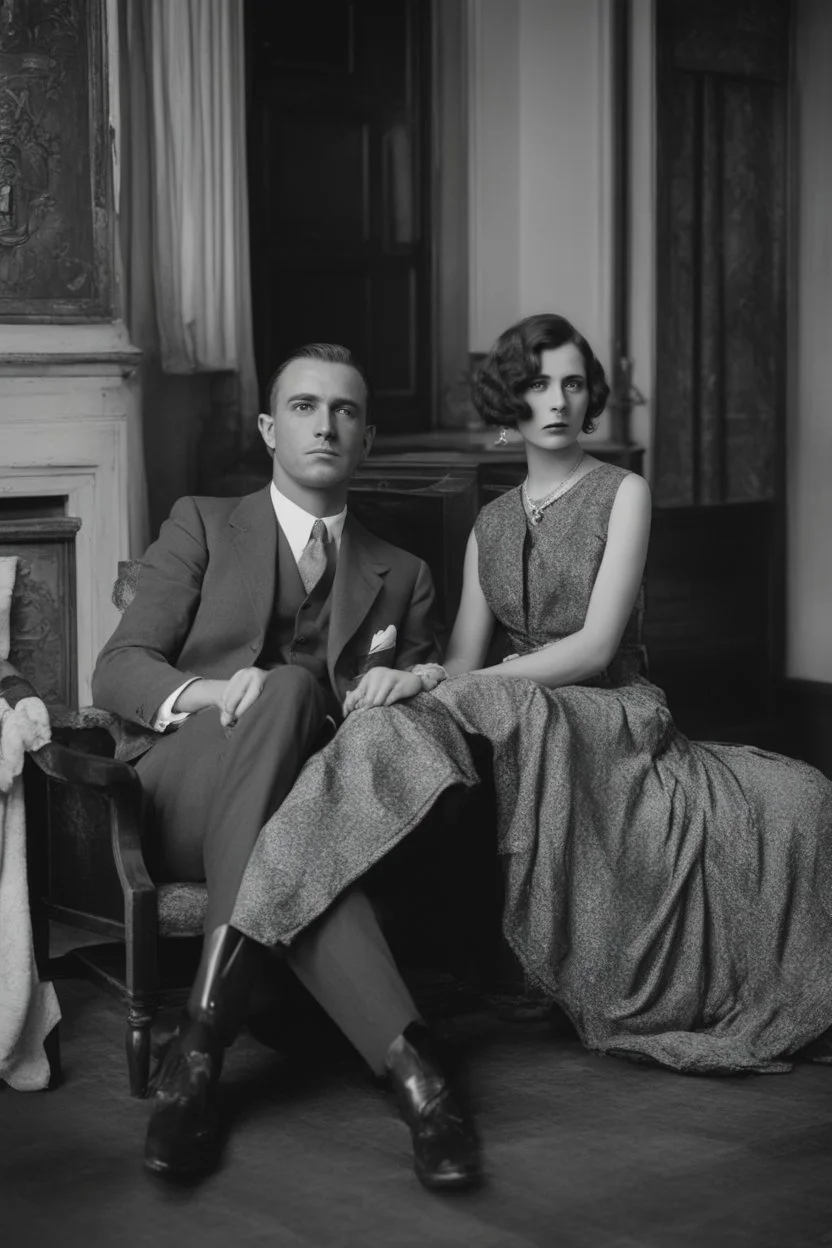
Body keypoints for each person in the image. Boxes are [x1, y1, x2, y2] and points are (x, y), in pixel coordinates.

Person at [231, 313, 832, 1081]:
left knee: (799, 799)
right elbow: (458, 659)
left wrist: (466, 685)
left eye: (573, 384)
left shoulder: (624, 492)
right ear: (508, 399)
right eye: (537, 384)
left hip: (612, 706)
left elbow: (594, 647)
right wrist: (413, 680)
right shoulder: (490, 523)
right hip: (518, 705)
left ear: (590, 399)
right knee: (450, 713)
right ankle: (283, 913)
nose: (557, 401)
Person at [92, 343, 481, 1189]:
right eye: (304, 406)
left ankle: (394, 1079)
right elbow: (117, 669)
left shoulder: (403, 575)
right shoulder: (199, 521)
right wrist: (218, 691)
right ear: (271, 428)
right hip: (185, 790)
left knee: (306, 845)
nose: (325, 424)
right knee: (287, 692)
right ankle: (416, 1076)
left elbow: (410, 737)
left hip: (311, 810)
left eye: (344, 410)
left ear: (367, 438)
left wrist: (412, 677)